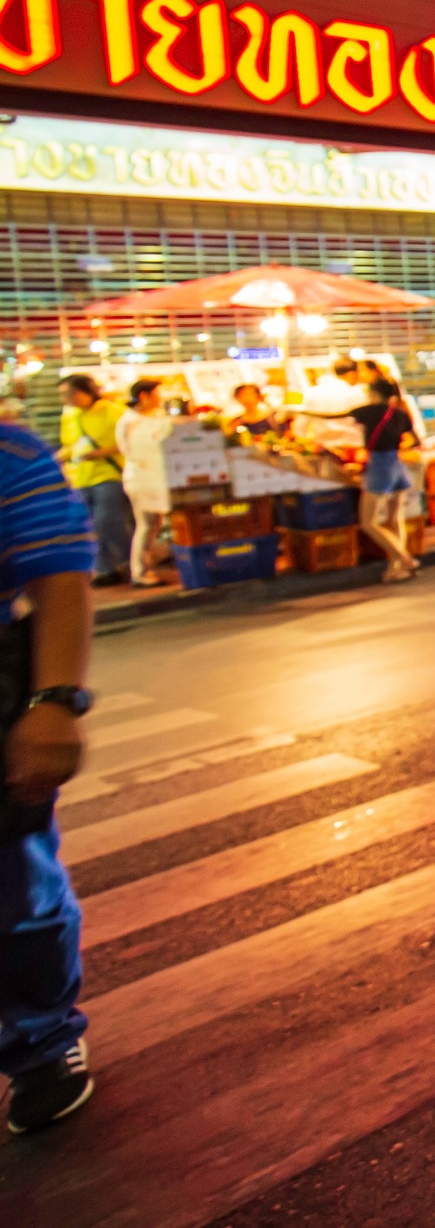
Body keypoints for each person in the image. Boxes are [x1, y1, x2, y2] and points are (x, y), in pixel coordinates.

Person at [0, 420, 98, 1132]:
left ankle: (40, 1043)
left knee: (15, 893)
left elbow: (61, 578)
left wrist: (55, 702)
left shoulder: (10, 454)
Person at [53, 376, 130, 588]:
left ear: (87, 390)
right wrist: (55, 459)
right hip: (80, 477)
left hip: (108, 475)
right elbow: (70, 445)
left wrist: (102, 452)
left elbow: (131, 441)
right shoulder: (71, 416)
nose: (67, 399)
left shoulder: (113, 411)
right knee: (88, 526)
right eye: (63, 395)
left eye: (70, 394)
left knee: (107, 522)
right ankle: (105, 569)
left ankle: (129, 560)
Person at [352, 374, 421, 583]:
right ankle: (394, 568)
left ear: (374, 393)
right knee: (394, 518)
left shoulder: (370, 411)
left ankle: (404, 558)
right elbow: (414, 440)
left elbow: (332, 416)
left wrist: (297, 411)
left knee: (368, 522)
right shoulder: (399, 413)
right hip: (397, 464)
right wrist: (394, 444)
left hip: (380, 466)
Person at [115, 379, 173, 588]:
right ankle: (140, 572)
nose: (161, 399)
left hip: (155, 478)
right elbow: (135, 451)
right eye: (157, 394)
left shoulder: (153, 417)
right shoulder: (130, 422)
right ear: (144, 396)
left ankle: (145, 568)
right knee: (147, 525)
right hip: (142, 479)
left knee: (153, 524)